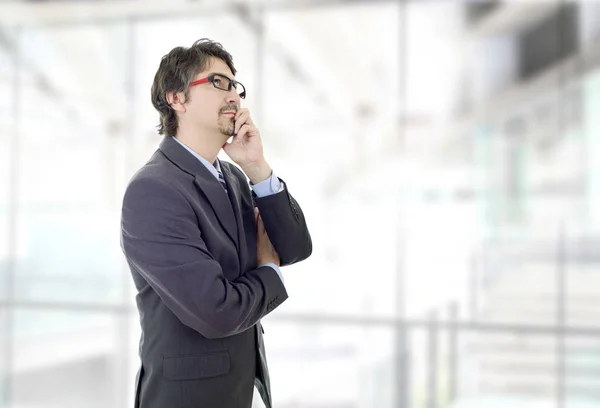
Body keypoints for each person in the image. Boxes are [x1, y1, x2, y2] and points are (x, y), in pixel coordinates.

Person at [120, 38, 312, 408]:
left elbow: (296, 248)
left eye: (235, 87)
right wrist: (268, 268)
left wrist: (257, 167)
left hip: (235, 392)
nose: (235, 98)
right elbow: (216, 312)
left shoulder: (235, 178)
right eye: (217, 82)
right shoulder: (153, 190)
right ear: (176, 98)